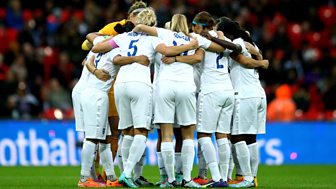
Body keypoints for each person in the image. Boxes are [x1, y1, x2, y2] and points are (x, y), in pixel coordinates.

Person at [92, 7, 198, 188]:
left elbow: (96, 47)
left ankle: (128, 174)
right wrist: (188, 46)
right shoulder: (153, 39)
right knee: (140, 131)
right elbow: (168, 51)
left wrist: (114, 43)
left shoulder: (122, 38)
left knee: (126, 132)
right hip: (140, 84)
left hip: (120, 85)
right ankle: (127, 174)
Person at [77, 35, 150, 188]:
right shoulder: (114, 50)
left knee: (105, 138)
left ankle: (111, 177)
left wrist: (95, 70)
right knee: (92, 138)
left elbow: (87, 61)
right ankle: (84, 179)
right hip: (97, 95)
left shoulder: (99, 46)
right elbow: (117, 60)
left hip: (91, 93)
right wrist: (137, 59)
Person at [214, 16, 269, 188]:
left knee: (237, 136)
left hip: (244, 94)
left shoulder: (237, 42)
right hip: (258, 94)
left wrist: (260, 63)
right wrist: (261, 59)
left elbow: (244, 61)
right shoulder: (250, 43)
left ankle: (247, 178)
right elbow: (256, 58)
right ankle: (252, 177)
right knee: (251, 138)